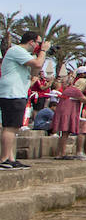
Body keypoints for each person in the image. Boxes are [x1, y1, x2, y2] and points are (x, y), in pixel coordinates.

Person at [1, 32, 49, 169]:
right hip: (11, 94)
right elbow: (38, 64)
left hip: (17, 93)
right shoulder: (16, 50)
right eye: (39, 43)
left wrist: (41, 54)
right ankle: (4, 159)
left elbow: (35, 71)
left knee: (13, 127)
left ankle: (10, 158)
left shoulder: (24, 55)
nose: (40, 46)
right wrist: (44, 51)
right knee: (10, 127)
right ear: (31, 42)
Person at [53, 76, 86, 159]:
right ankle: (61, 154)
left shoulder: (69, 89)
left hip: (64, 111)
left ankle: (59, 153)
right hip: (67, 112)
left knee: (64, 134)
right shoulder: (76, 91)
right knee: (65, 133)